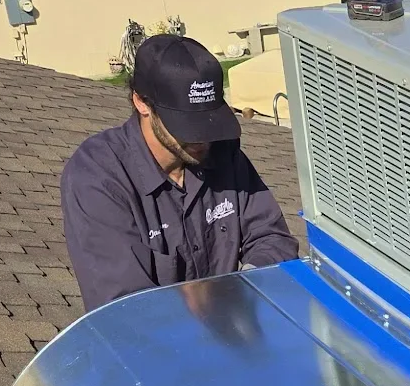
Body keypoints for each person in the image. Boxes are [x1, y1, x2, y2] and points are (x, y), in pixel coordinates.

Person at [61, 34, 298, 312]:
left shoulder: (223, 154)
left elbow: (272, 239)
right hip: (153, 337)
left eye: (210, 121)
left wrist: (245, 285)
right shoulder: (97, 179)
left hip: (230, 328)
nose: (204, 138)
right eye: (188, 124)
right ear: (142, 103)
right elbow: (127, 309)